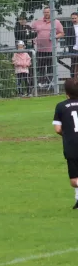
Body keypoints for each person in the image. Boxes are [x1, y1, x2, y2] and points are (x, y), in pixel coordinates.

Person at [52, 77, 78, 209]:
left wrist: (67, 134)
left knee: (74, 181)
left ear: (66, 93)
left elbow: (57, 129)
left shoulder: (61, 106)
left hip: (72, 146)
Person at [31, 7, 64, 85]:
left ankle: (51, 84)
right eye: (45, 12)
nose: (46, 14)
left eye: (48, 12)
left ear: (51, 12)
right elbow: (31, 31)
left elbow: (62, 33)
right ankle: (42, 83)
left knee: (50, 67)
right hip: (40, 49)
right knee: (41, 67)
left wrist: (54, 36)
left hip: (51, 50)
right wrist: (34, 39)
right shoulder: (37, 22)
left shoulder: (56, 22)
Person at [66, 12, 78, 77]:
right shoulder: (69, 28)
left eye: (75, 18)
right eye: (72, 18)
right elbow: (67, 39)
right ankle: (73, 79)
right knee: (73, 65)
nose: (74, 20)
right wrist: (71, 48)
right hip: (74, 50)